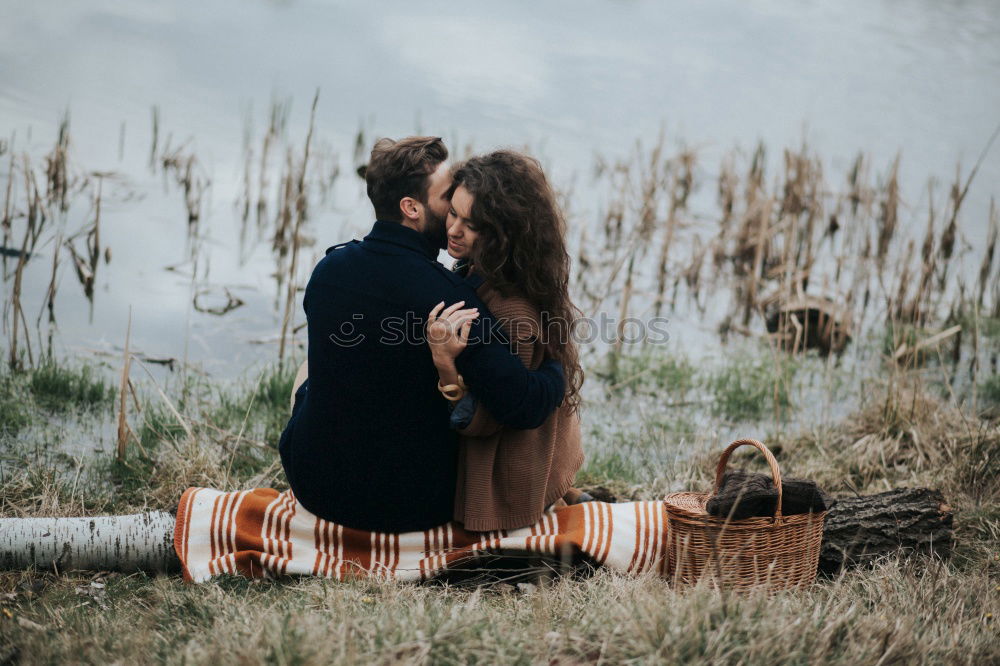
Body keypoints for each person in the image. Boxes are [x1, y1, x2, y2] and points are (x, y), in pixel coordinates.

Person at [278, 136, 567, 534]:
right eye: (447, 196)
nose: (453, 207)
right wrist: (556, 366)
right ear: (411, 208)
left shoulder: (327, 270)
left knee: (312, 373)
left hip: (313, 484)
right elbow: (525, 405)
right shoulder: (451, 302)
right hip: (408, 507)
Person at [426, 150, 589, 532]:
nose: (453, 230)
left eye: (473, 224)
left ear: (505, 232)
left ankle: (555, 499)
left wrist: (445, 364)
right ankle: (566, 494)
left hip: (505, 481)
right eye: (453, 213)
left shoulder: (513, 312)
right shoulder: (489, 270)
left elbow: (496, 418)